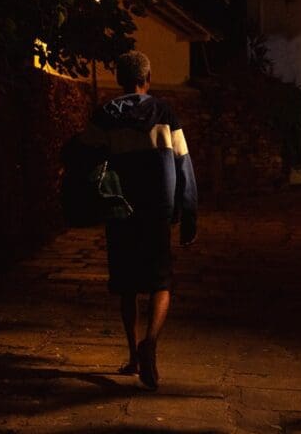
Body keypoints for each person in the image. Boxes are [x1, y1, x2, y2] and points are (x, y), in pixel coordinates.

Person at [76, 50, 197, 390]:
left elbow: (86, 157)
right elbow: (184, 164)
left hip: (120, 210)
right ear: (148, 78)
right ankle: (151, 344)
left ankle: (132, 355)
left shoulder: (104, 116)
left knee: (127, 286)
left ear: (119, 80)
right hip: (158, 210)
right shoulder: (165, 113)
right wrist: (188, 212)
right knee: (161, 283)